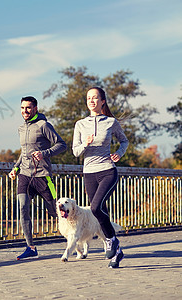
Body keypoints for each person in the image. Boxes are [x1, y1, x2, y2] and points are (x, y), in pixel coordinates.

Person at [72, 87, 129, 268]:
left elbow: (124, 141)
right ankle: (116, 252)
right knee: (99, 211)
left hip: (107, 170)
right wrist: (85, 144)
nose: (92, 100)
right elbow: (75, 152)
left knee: (95, 208)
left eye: (95, 97)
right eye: (89, 98)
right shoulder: (80, 124)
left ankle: (111, 241)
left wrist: (119, 153)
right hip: (89, 172)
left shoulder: (110, 122)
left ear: (102, 101)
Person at [9, 96, 67, 260]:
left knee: (57, 211)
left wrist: (44, 154)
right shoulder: (21, 128)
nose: (24, 111)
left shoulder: (44, 125)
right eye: (22, 108)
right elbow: (24, 151)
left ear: (35, 108)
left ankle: (76, 238)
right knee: (23, 208)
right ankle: (30, 247)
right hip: (25, 175)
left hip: (43, 176)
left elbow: (61, 144)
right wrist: (16, 167)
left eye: (28, 108)